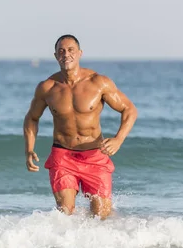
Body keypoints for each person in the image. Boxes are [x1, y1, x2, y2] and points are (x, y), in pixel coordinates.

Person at [23, 35, 137, 219]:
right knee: (65, 214)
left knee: (101, 216)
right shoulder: (47, 87)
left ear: (80, 53)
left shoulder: (99, 83)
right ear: (55, 56)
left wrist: (118, 139)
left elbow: (129, 109)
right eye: (61, 51)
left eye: (70, 50)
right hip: (63, 157)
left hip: (94, 156)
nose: (66, 54)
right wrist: (29, 149)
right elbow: (32, 118)